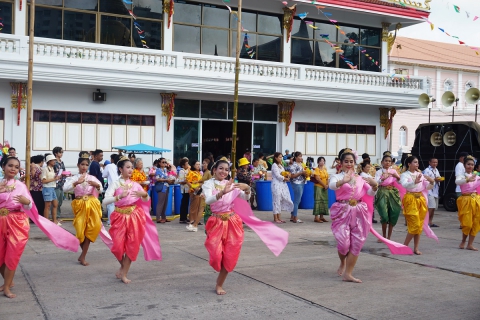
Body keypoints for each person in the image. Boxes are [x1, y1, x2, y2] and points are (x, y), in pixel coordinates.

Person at [0, 156, 79, 298]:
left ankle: (6, 286)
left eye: (16, 167)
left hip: (17, 223)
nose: (13, 169)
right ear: (3, 167)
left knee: (12, 254)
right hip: (1, 221)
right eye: (10, 165)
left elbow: (31, 207)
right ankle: (8, 281)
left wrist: (26, 202)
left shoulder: (21, 186)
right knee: (0, 255)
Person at [103, 156, 161, 283]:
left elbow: (146, 200)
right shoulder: (115, 184)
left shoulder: (135, 185)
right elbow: (105, 201)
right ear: (120, 169)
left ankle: (124, 273)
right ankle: (123, 267)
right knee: (117, 247)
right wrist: (118, 197)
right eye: (127, 167)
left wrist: (144, 194)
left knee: (132, 245)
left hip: (135, 216)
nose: (130, 170)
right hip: (119, 216)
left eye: (132, 168)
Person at [202, 160, 252, 295]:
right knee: (216, 255)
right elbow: (208, 200)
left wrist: (247, 188)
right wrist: (221, 193)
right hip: (216, 222)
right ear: (214, 170)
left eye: (226, 169)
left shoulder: (231, 184)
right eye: (221, 168)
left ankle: (219, 284)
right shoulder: (209, 184)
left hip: (232, 222)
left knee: (230, 255)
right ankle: (219, 276)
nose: (223, 172)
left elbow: (244, 197)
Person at [329, 148, 378, 283]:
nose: (349, 164)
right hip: (342, 210)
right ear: (341, 162)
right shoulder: (337, 176)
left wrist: (374, 186)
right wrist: (343, 181)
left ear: (355, 163)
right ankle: (342, 262)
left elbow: (370, 193)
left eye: (351, 161)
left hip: (358, 211)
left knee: (357, 243)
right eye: (346, 161)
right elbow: (332, 186)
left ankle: (348, 274)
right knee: (344, 243)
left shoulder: (361, 178)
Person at [63, 153, 103, 266]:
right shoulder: (73, 178)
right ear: (78, 165)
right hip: (79, 204)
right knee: (80, 230)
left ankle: (83, 256)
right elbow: (65, 189)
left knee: (92, 229)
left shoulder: (92, 178)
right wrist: (76, 183)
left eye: (86, 164)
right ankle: (83, 254)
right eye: (82, 164)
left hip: (92, 204)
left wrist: (97, 185)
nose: (84, 167)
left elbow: (101, 190)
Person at [400, 156, 435, 255]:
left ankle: (415, 248)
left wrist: (432, 181)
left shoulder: (420, 174)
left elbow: (427, 187)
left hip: (420, 200)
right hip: (410, 200)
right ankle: (404, 246)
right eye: (415, 162)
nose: (417, 164)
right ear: (409, 164)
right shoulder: (405, 175)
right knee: (414, 225)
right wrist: (414, 182)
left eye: (417, 163)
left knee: (419, 225)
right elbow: (404, 185)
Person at [375, 154, 402, 240]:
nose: (387, 162)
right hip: (382, 192)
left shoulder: (393, 171)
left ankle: (389, 237)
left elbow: (400, 182)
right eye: (386, 161)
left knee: (393, 214)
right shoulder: (379, 172)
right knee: (384, 216)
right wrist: (382, 179)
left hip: (393, 193)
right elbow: (376, 183)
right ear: (382, 162)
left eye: (389, 161)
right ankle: (383, 236)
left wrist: (397, 176)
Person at [455, 155, 480, 251]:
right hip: (466, 200)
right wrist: (467, 179)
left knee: (476, 223)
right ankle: (463, 242)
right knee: (467, 223)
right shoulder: (462, 176)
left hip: (476, 200)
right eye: (468, 164)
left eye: (472, 165)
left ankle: (470, 244)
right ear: (464, 165)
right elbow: (458, 182)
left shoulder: (477, 176)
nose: (470, 166)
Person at [271, 152, 293, 223]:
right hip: (276, 184)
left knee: (280, 201)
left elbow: (283, 173)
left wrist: (287, 175)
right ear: (276, 158)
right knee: (276, 201)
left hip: (282, 185)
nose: (281, 159)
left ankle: (279, 217)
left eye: (281, 157)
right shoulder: (274, 165)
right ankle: (275, 217)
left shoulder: (281, 165)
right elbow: (277, 175)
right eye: (280, 157)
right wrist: (284, 178)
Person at [41, 154, 61, 225]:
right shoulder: (45, 169)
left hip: (52, 188)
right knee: (48, 206)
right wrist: (54, 179)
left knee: (55, 204)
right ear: (49, 161)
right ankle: (46, 222)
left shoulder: (52, 169)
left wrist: (57, 178)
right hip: (47, 188)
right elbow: (43, 181)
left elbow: (53, 179)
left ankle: (54, 220)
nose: (55, 162)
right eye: (53, 160)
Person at [287, 151, 306, 223]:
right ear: (296, 157)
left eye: (301, 156)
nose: (301, 158)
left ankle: (292, 216)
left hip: (301, 182)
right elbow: (292, 176)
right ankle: (295, 217)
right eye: (300, 156)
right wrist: (301, 173)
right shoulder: (293, 165)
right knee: (297, 201)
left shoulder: (301, 164)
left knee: (298, 200)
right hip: (296, 183)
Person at [423, 157, 442, 227]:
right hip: (429, 191)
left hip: (435, 190)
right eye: (433, 162)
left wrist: (439, 179)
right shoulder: (427, 170)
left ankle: (430, 221)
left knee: (434, 208)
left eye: (436, 162)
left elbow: (438, 177)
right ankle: (427, 221)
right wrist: (434, 179)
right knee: (431, 207)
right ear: (429, 162)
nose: (435, 164)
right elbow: (424, 180)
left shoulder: (436, 170)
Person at [186, 160, 204, 232]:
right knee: (193, 205)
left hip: (199, 190)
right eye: (197, 164)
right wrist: (193, 187)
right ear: (193, 165)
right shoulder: (191, 172)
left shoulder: (199, 173)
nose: (198, 166)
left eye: (199, 164)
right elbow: (187, 181)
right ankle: (191, 220)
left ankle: (196, 220)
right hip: (193, 190)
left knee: (198, 205)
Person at [102, 154, 119, 227]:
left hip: (111, 186)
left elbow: (103, 175)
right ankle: (117, 221)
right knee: (118, 204)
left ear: (112, 159)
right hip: (119, 185)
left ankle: (110, 221)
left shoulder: (109, 166)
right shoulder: (120, 166)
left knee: (110, 204)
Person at [155, 158, 172, 224]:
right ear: (159, 163)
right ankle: (158, 218)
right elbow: (158, 179)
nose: (164, 163)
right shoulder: (158, 170)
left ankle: (163, 217)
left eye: (165, 162)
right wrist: (166, 180)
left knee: (165, 203)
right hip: (161, 187)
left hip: (166, 187)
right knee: (160, 203)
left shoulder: (165, 170)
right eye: (163, 162)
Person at [52, 147, 67, 222]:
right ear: (56, 153)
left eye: (62, 152)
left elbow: (64, 170)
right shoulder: (54, 162)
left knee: (60, 201)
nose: (61, 154)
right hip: (56, 184)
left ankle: (57, 215)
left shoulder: (61, 162)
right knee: (55, 201)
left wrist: (66, 174)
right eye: (60, 152)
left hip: (61, 183)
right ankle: (56, 217)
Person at [313, 156, 329, 223]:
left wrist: (327, 185)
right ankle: (316, 217)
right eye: (320, 161)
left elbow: (327, 178)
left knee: (323, 201)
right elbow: (318, 179)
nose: (322, 162)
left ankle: (321, 217)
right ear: (318, 162)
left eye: (323, 161)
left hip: (324, 187)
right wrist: (324, 185)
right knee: (318, 201)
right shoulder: (317, 169)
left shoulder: (325, 169)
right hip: (318, 187)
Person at [177, 158, 190, 223]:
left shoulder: (187, 170)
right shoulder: (181, 171)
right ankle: (182, 218)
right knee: (184, 203)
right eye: (186, 164)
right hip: (184, 189)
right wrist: (187, 181)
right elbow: (181, 180)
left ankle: (185, 216)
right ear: (183, 165)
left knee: (186, 203)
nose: (188, 165)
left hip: (188, 189)